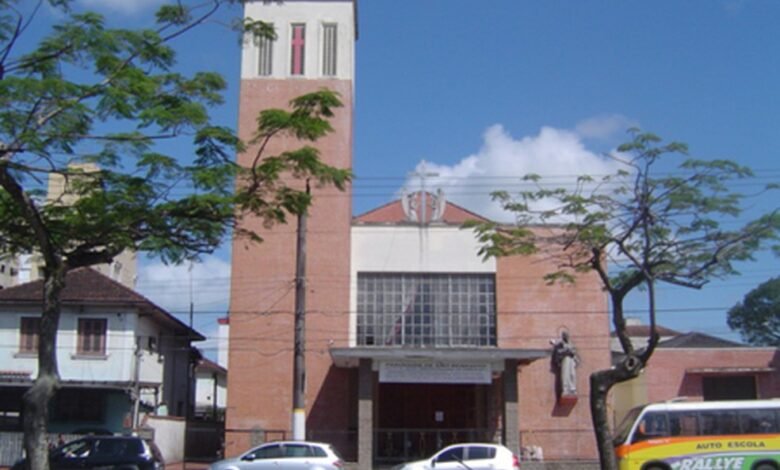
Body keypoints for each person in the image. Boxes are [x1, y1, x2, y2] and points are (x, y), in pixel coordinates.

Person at [551, 331, 580, 396]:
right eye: (565, 336)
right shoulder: (560, 345)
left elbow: (574, 352)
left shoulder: (571, 344)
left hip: (571, 361)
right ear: (563, 337)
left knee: (572, 374)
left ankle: (572, 389)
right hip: (565, 360)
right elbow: (558, 352)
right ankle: (565, 389)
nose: (566, 337)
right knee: (565, 375)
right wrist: (565, 351)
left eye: (567, 336)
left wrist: (571, 352)